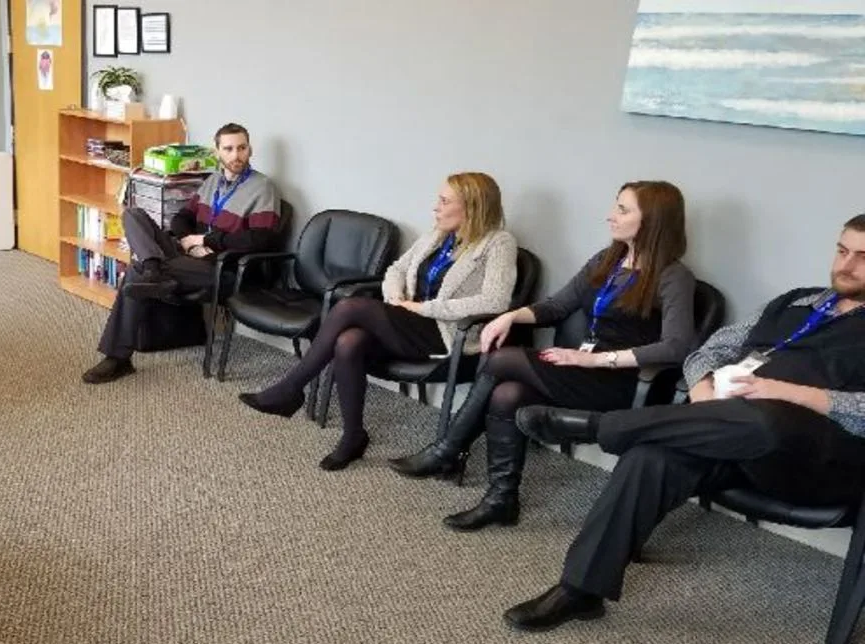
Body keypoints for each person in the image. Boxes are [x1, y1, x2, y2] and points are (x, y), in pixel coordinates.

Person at [504, 214, 865, 631]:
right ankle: (580, 589)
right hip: (729, 431)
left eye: (862, 257)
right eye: (842, 251)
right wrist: (703, 389)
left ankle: (601, 426)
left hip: (813, 459)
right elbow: (708, 351)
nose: (846, 265)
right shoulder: (795, 302)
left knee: (767, 420)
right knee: (651, 457)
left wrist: (789, 393)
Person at [391, 181, 697, 531]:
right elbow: (557, 306)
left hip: (623, 380)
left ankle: (448, 449)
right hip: (580, 369)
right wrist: (510, 317)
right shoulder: (607, 261)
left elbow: (677, 346)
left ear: (653, 220)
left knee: (502, 360)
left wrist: (596, 360)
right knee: (508, 395)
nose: (610, 215)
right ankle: (501, 499)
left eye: (623, 210)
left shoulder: (674, 277)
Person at [238, 172, 517, 470]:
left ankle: (290, 388)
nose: (436, 207)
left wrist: (423, 308)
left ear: (472, 206)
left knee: (349, 307)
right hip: (409, 323)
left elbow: (495, 301)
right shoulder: (438, 235)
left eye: (445, 201)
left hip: (447, 334)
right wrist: (396, 298)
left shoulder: (498, 243)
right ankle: (353, 436)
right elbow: (396, 269)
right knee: (349, 342)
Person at [82, 122, 284, 384]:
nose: (236, 155)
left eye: (242, 148)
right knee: (133, 214)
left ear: (250, 149)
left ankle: (118, 357)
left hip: (223, 267)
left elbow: (260, 239)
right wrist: (190, 243)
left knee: (136, 270)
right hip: (190, 256)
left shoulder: (263, 187)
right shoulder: (212, 182)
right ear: (217, 152)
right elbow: (181, 218)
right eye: (229, 149)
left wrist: (207, 240)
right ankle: (153, 268)